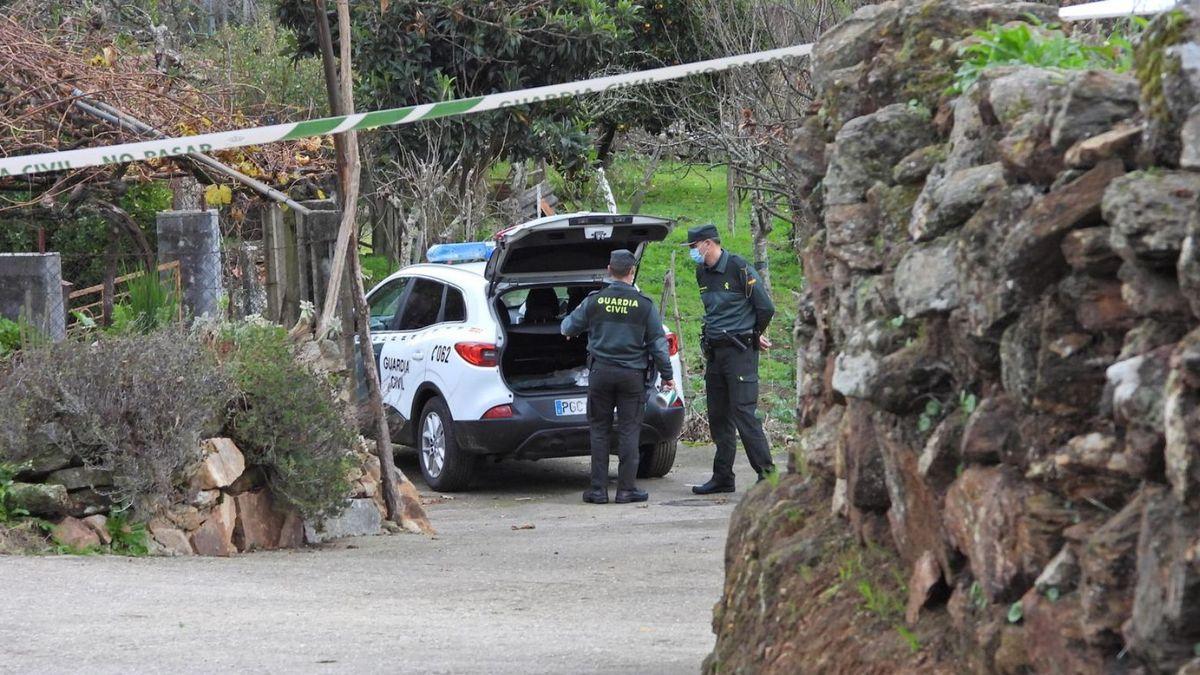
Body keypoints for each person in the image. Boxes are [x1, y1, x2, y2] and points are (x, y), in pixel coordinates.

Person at [561, 249, 675, 504]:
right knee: (629, 432)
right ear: (632, 272)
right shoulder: (644, 306)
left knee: (599, 431)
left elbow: (567, 327)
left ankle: (598, 491)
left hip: (600, 374)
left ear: (609, 270)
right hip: (632, 377)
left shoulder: (594, 301)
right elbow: (658, 346)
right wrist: (667, 377)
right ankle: (626, 490)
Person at [684, 224, 777, 494]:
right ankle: (723, 476)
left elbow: (765, 307)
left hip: (740, 353)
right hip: (715, 352)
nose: (693, 252)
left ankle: (767, 476)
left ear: (708, 244)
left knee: (743, 414)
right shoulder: (701, 271)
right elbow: (714, 311)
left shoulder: (738, 267)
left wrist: (752, 333)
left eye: (694, 247)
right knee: (718, 416)